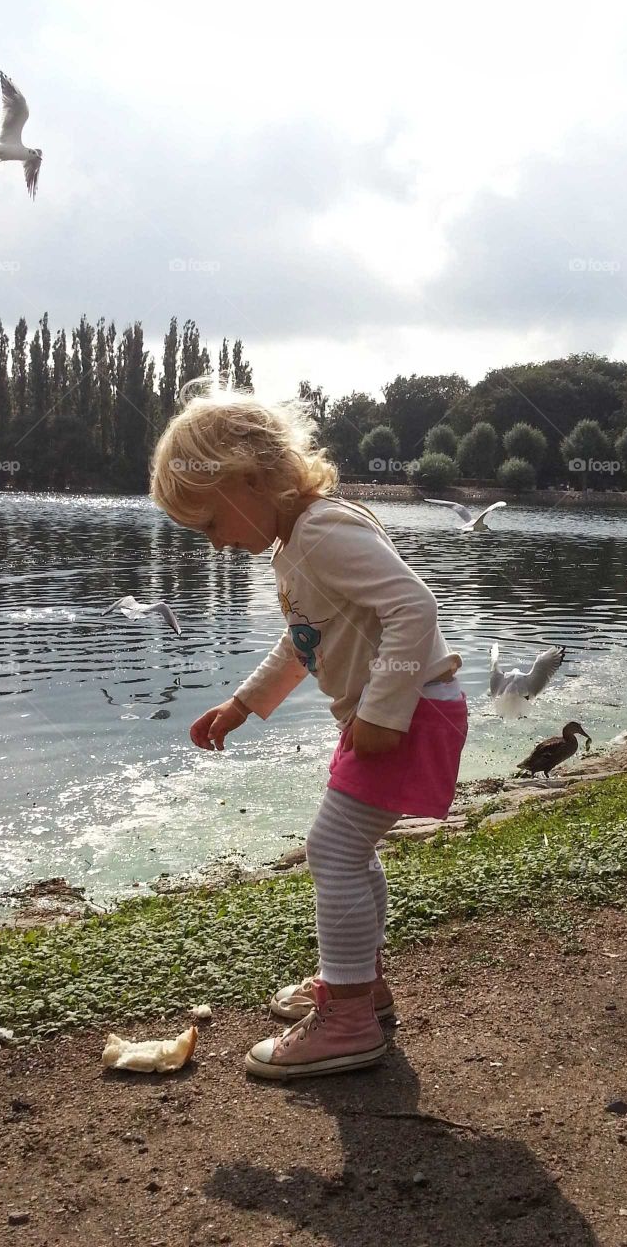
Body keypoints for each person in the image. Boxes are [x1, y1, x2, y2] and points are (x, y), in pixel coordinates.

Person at [149, 383, 468, 1079]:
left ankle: (349, 1017)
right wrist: (241, 704)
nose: (216, 547)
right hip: (400, 711)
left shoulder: (322, 532)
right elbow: (304, 643)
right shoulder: (296, 543)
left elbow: (413, 608)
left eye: (210, 526)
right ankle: (362, 987)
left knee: (332, 849)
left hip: (408, 712)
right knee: (348, 849)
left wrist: (383, 712)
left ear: (251, 479)